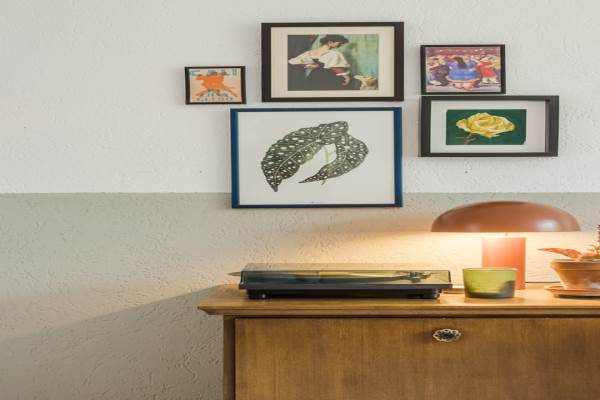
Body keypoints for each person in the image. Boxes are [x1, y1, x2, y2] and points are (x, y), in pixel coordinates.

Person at [288, 34, 360, 90]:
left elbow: (293, 61)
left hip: (315, 77)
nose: (340, 45)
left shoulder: (309, 52)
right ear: (330, 42)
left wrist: (313, 65)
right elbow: (337, 68)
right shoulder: (334, 53)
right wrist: (347, 77)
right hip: (331, 77)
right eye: (339, 43)